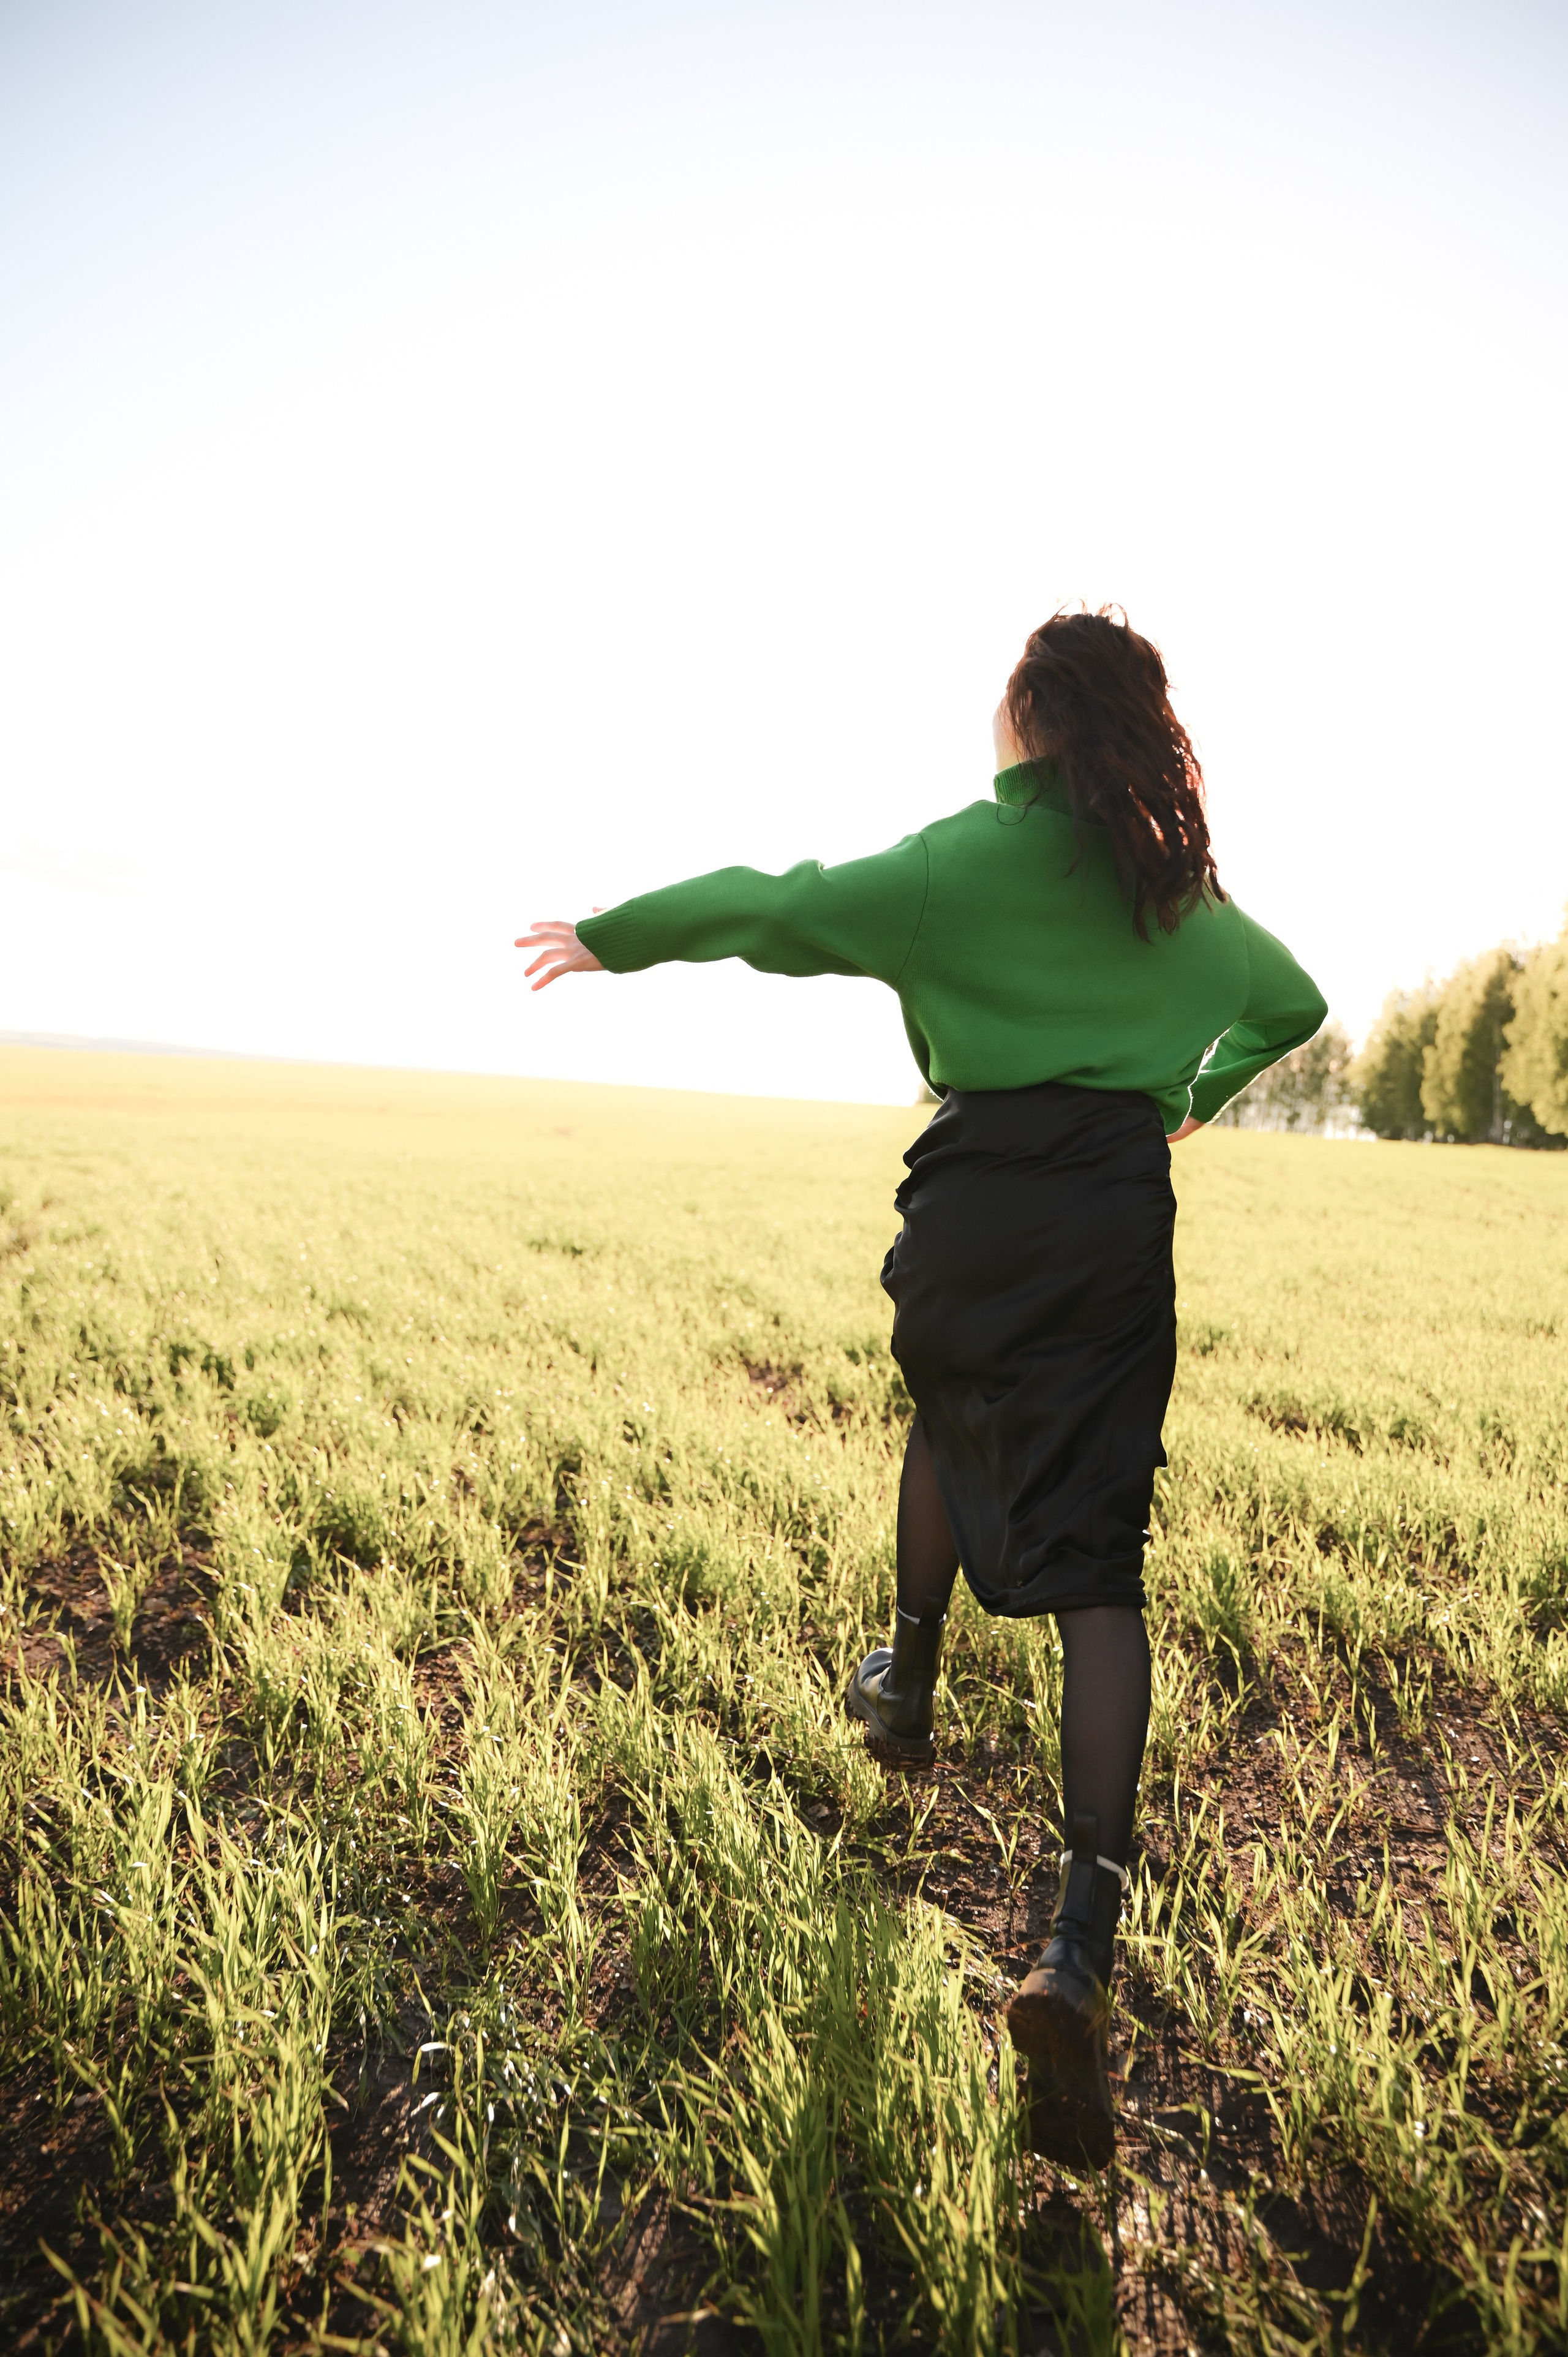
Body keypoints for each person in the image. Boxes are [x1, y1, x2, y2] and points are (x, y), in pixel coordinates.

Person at [517, 606, 1325, 2170]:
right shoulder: (1181, 900)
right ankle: (1079, 1928)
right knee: (1100, 1564)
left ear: (1027, 713)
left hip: (969, 1214)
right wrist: (1178, 1100)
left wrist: (611, 935)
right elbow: (1291, 1002)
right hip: (1107, 1220)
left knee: (946, 1424)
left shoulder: (958, 861)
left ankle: (904, 1680)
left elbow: (774, 903)